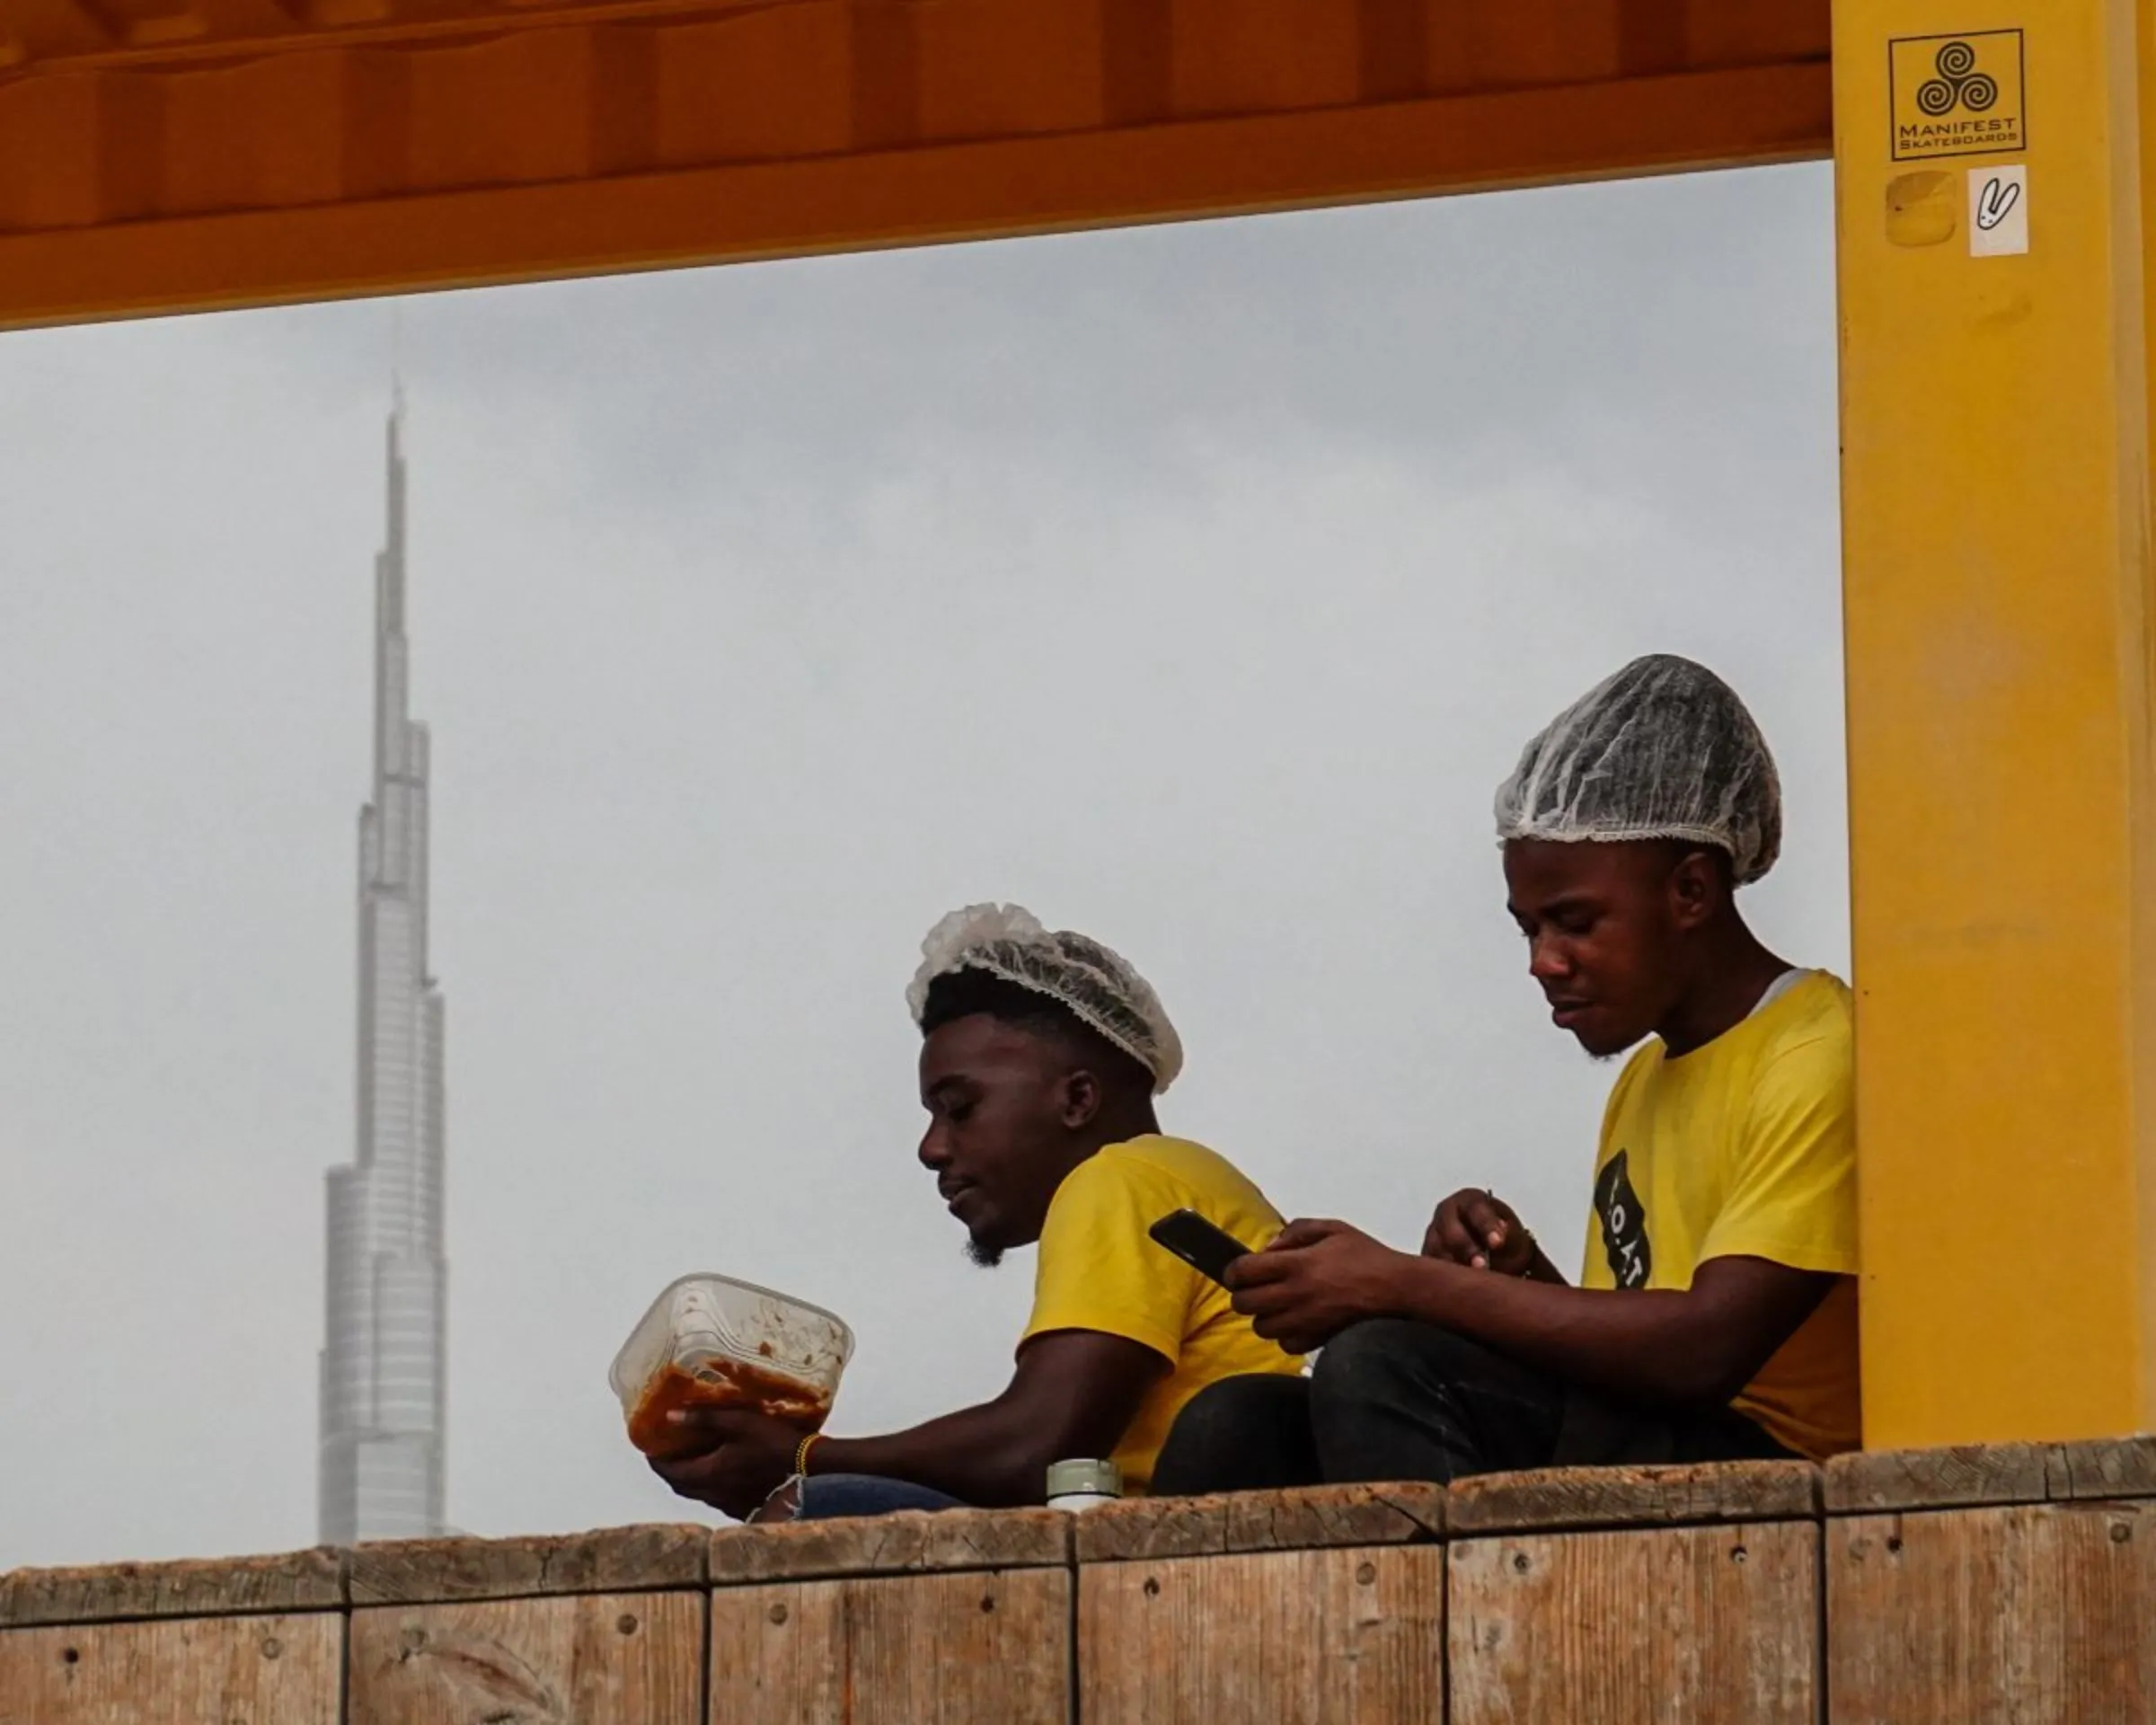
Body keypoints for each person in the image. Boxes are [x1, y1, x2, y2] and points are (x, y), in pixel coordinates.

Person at [1152, 654, 1859, 1493]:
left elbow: (1703, 1351)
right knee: (1237, 1425)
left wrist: (1405, 1286)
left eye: (1575, 923)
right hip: (1667, 1438)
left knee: (1386, 1362)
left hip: (1786, 1482)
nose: (1543, 963)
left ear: (1692, 891)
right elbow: (1629, 1358)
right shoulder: (1645, 1078)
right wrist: (1516, 1282)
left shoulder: (1816, 1049)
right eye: (1528, 929)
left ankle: (1459, 1625)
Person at [651, 902, 1303, 1521]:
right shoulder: (1182, 1177)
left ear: (1077, 1099)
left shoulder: (1122, 1179)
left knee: (819, 1509)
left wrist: (798, 1461)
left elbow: (1034, 1449)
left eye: (959, 1108)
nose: (931, 1148)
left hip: (1168, 1569)